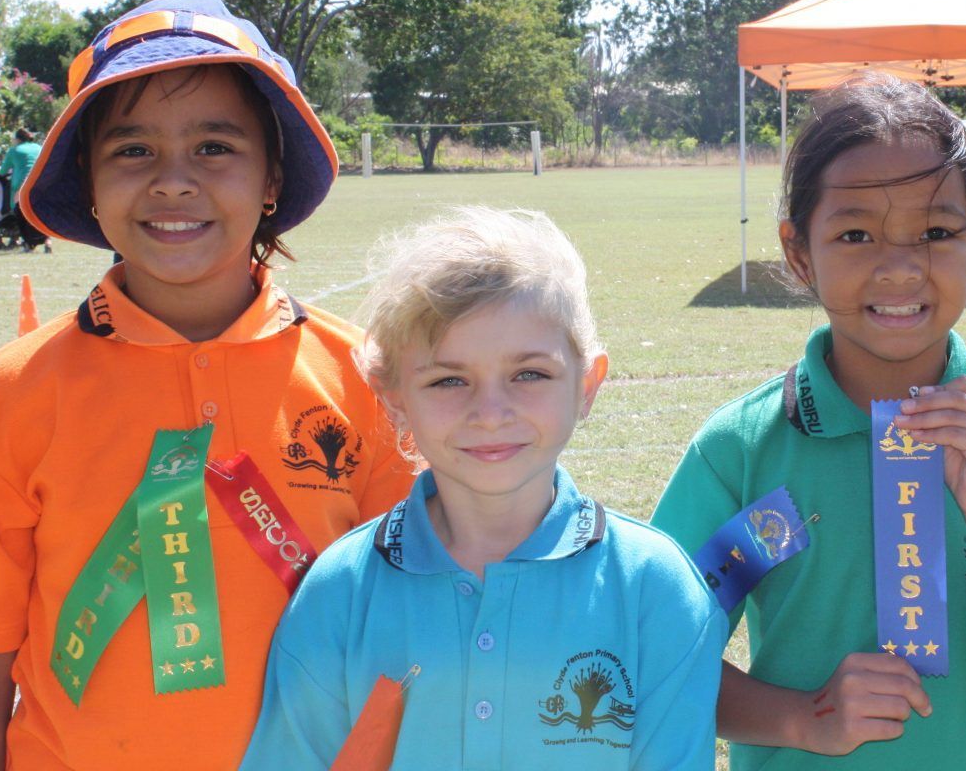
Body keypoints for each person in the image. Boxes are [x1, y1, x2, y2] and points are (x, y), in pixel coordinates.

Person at [0, 0, 413, 771]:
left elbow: (412, 625)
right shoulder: (11, 397)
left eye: (215, 147)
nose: (172, 182)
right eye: (132, 151)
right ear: (89, 184)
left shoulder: (364, 380)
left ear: (271, 180)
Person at [652, 73, 966, 770]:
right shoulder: (740, 452)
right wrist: (804, 719)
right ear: (800, 252)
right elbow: (657, 660)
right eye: (855, 234)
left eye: (938, 232)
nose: (899, 268)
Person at [240, 207, 727, 770]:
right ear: (394, 399)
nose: (490, 413)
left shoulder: (655, 588)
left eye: (529, 375)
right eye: (449, 380)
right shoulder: (341, 592)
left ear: (587, 385)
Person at [0, 127, 50, 252]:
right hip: (41, 183)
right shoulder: (38, 148)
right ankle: (48, 241)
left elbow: (3, 172)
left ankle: (28, 244)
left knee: (21, 213)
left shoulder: (14, 150)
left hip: (21, 185)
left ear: (17, 139)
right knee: (41, 214)